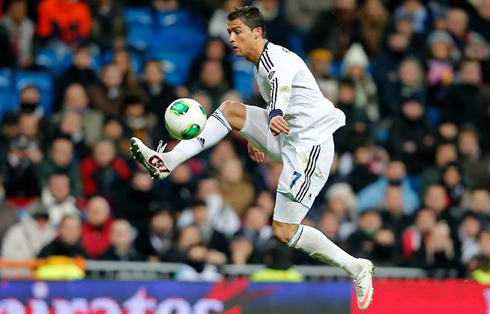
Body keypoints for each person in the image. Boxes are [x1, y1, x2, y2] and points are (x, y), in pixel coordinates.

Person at [130, 6, 374, 310]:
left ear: (257, 33)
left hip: (310, 147)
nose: (231, 38)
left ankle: (355, 267)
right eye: (229, 32)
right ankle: (169, 160)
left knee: (284, 230)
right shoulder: (258, 65)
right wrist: (254, 135)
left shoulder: (275, 59)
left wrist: (274, 115)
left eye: (237, 32)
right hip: (287, 135)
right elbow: (274, 96)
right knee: (231, 110)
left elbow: (281, 86)